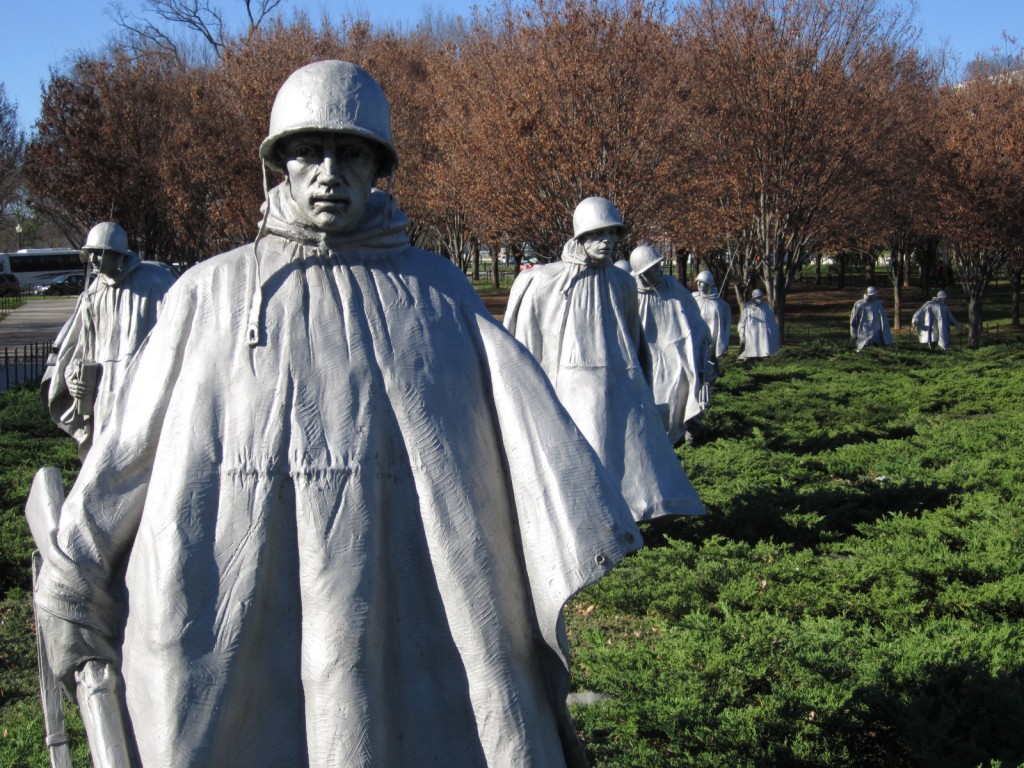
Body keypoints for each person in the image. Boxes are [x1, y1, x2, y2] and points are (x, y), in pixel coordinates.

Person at [34, 61, 643, 767]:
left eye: (350, 152)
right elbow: (125, 452)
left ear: (377, 166)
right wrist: (74, 572)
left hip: (406, 613)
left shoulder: (438, 294)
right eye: (308, 151)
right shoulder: (208, 295)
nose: (328, 171)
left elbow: (514, 459)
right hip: (233, 610)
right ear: (279, 166)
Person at [503, 197, 704, 521]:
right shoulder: (545, 281)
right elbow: (526, 343)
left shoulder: (623, 283)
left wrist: (641, 387)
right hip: (570, 383)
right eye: (600, 234)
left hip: (618, 382)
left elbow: (635, 342)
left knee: (627, 460)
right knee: (578, 461)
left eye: (613, 234)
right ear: (581, 236)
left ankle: (628, 518)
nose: (609, 241)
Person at [42, 221, 176, 459]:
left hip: (139, 385)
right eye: (90, 253)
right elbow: (80, 346)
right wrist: (73, 377)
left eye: (100, 254)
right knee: (101, 455)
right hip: (101, 391)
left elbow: (173, 334)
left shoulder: (153, 283)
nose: (93, 260)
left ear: (118, 256)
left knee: (137, 455)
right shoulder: (92, 293)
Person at [628, 244, 711, 447]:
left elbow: (693, 319)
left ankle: (687, 437)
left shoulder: (671, 286)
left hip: (678, 356)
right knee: (657, 400)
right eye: (653, 269)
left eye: (658, 266)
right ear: (641, 273)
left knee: (682, 395)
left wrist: (701, 347)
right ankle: (660, 444)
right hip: (649, 360)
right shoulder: (630, 292)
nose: (659, 271)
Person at [737, 288, 781, 360]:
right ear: (753, 297)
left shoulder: (766, 307)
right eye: (757, 297)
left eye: (761, 297)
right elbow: (742, 321)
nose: (760, 299)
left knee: (765, 351)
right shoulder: (747, 307)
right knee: (751, 352)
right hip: (751, 334)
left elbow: (771, 320)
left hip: (764, 335)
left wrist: (776, 330)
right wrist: (741, 334)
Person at [850, 286, 893, 350]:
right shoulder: (859, 304)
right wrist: (854, 335)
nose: (872, 297)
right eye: (870, 295)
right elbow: (853, 321)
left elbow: (883, 319)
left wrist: (887, 338)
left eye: (873, 295)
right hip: (863, 330)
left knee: (877, 347)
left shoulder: (877, 304)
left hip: (876, 331)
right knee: (863, 346)